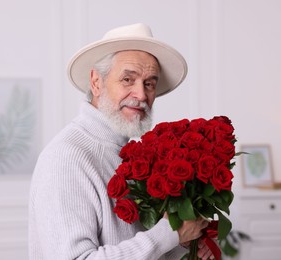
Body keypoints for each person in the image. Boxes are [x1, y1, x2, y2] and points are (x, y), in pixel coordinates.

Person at [29, 23, 215, 260]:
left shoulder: (129, 154)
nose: (141, 94)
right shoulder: (66, 158)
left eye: (149, 83)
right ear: (96, 82)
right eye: (128, 79)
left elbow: (132, 244)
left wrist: (183, 242)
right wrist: (170, 232)